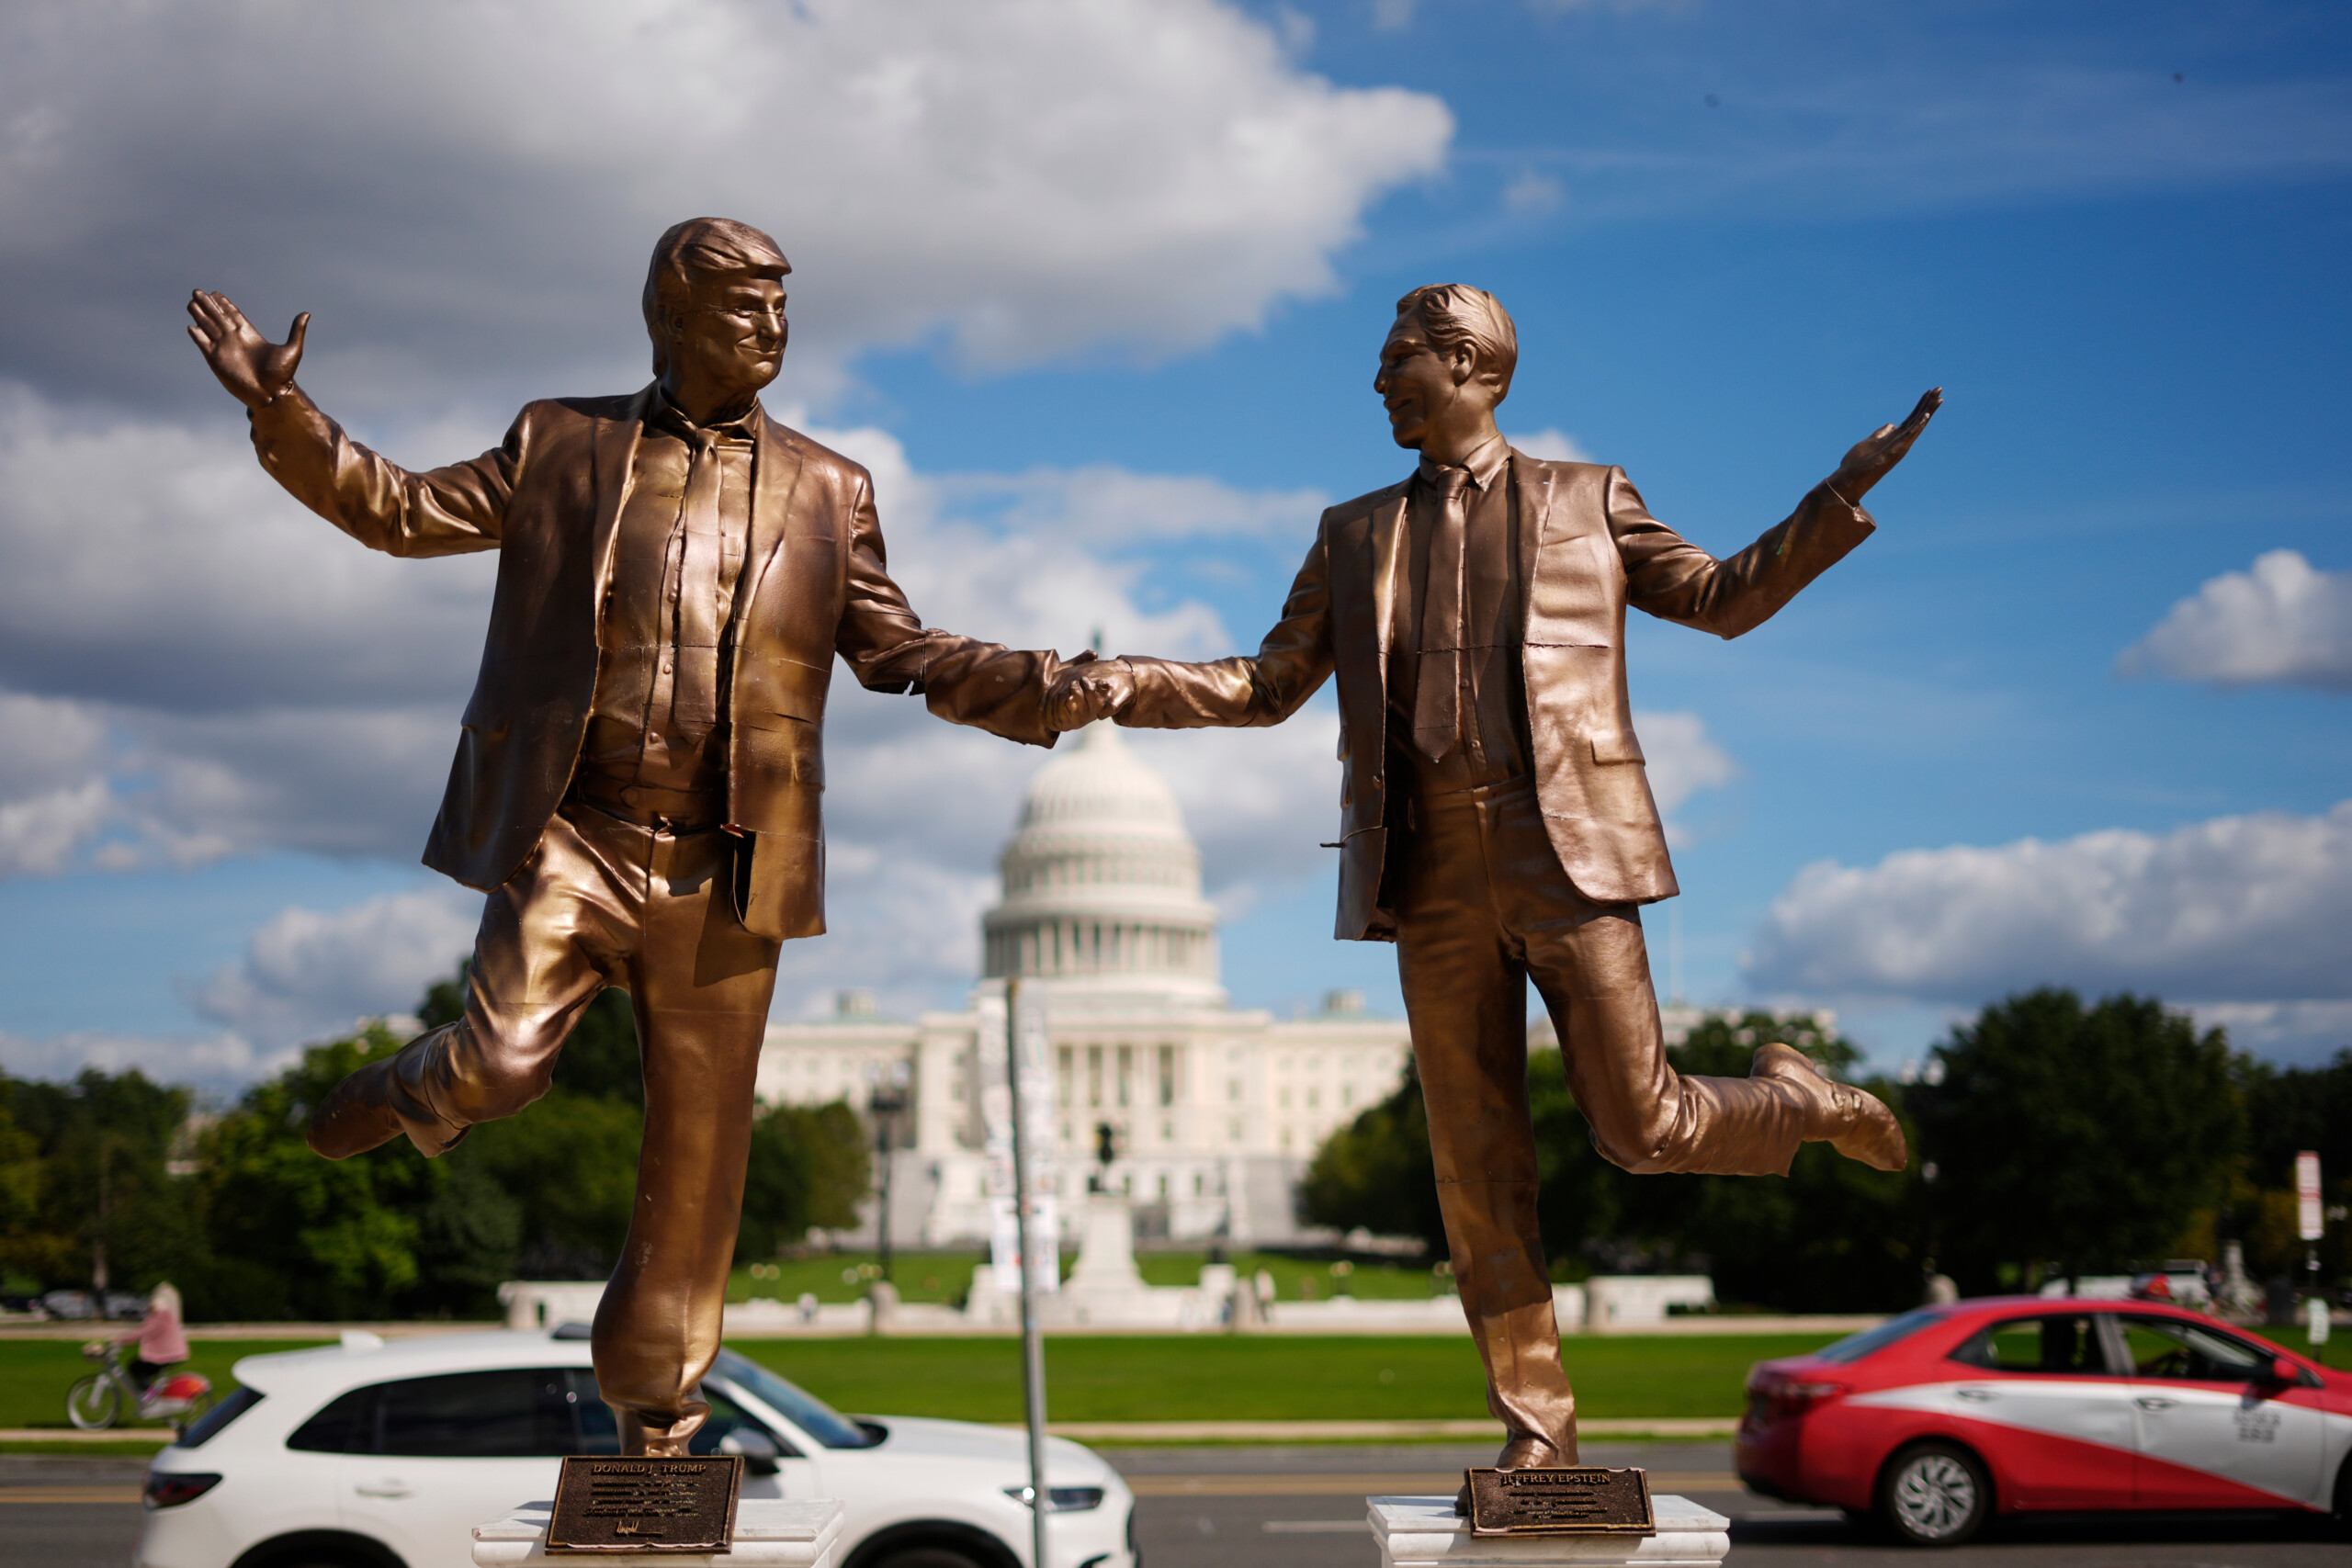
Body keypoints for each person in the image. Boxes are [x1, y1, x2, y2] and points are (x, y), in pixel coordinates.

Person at [186, 219, 1074, 1456]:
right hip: (576, 828)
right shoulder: (563, 440)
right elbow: (396, 510)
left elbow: (901, 650)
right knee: (497, 1065)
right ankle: (401, 1088)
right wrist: (286, 413)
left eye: (782, 307)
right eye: (747, 306)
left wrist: (1043, 683)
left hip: (728, 861)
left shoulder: (829, 484)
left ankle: (656, 1431)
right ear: (673, 312)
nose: (773, 329)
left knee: (694, 1173)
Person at [1046, 284, 1934, 1484]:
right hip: (1432, 869)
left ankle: (1802, 1103)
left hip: (1562, 848)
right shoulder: (1353, 530)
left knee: (1641, 1125)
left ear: (1467, 366)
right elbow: (1265, 684)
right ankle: (1537, 1430)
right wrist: (1117, 683)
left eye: (1395, 359)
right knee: (1476, 1166)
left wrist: (1834, 501)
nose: (1376, 384)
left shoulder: (1588, 498)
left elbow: (1724, 600)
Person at [120, 1282, 188, 1391]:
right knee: (140, 1368)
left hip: (168, 1353)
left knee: (135, 1367)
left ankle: (149, 1395)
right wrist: (128, 1337)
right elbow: (145, 1328)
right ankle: (150, 1393)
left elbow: (147, 1331)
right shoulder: (162, 1315)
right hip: (170, 1351)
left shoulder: (161, 1316)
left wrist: (123, 1339)